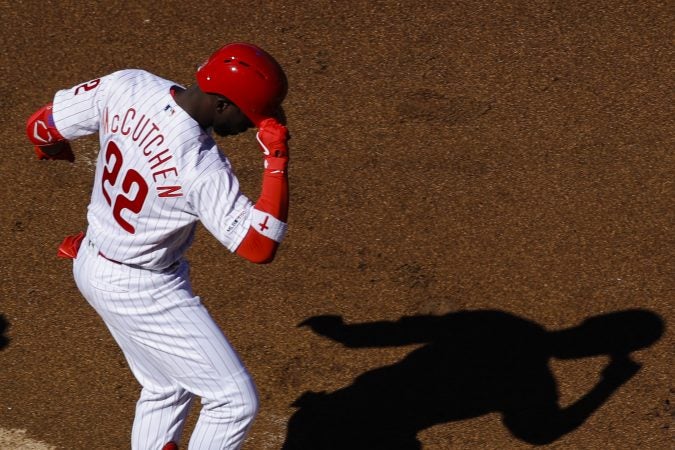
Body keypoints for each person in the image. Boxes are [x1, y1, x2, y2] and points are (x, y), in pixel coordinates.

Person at [25, 42, 290, 450]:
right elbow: (258, 246)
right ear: (222, 106)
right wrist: (275, 163)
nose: (254, 127)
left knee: (166, 387)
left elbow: (41, 125)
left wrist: (53, 148)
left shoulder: (128, 85)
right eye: (251, 118)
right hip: (143, 291)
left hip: (94, 263)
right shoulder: (201, 167)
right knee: (233, 401)